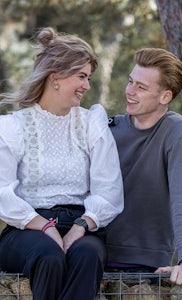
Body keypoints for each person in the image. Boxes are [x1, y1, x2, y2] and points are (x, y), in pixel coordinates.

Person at [0, 27, 124, 300]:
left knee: (89, 255)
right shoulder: (13, 127)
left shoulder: (92, 123)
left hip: (82, 224)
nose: (87, 86)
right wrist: (44, 226)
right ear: (55, 77)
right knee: (49, 256)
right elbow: (2, 193)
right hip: (26, 228)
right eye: (81, 76)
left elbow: (109, 190)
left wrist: (81, 225)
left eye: (89, 77)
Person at [106, 47, 182, 286]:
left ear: (165, 97)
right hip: (93, 256)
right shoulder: (109, 129)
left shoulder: (176, 130)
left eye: (141, 87)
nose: (130, 91)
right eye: (130, 81)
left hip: (147, 266)